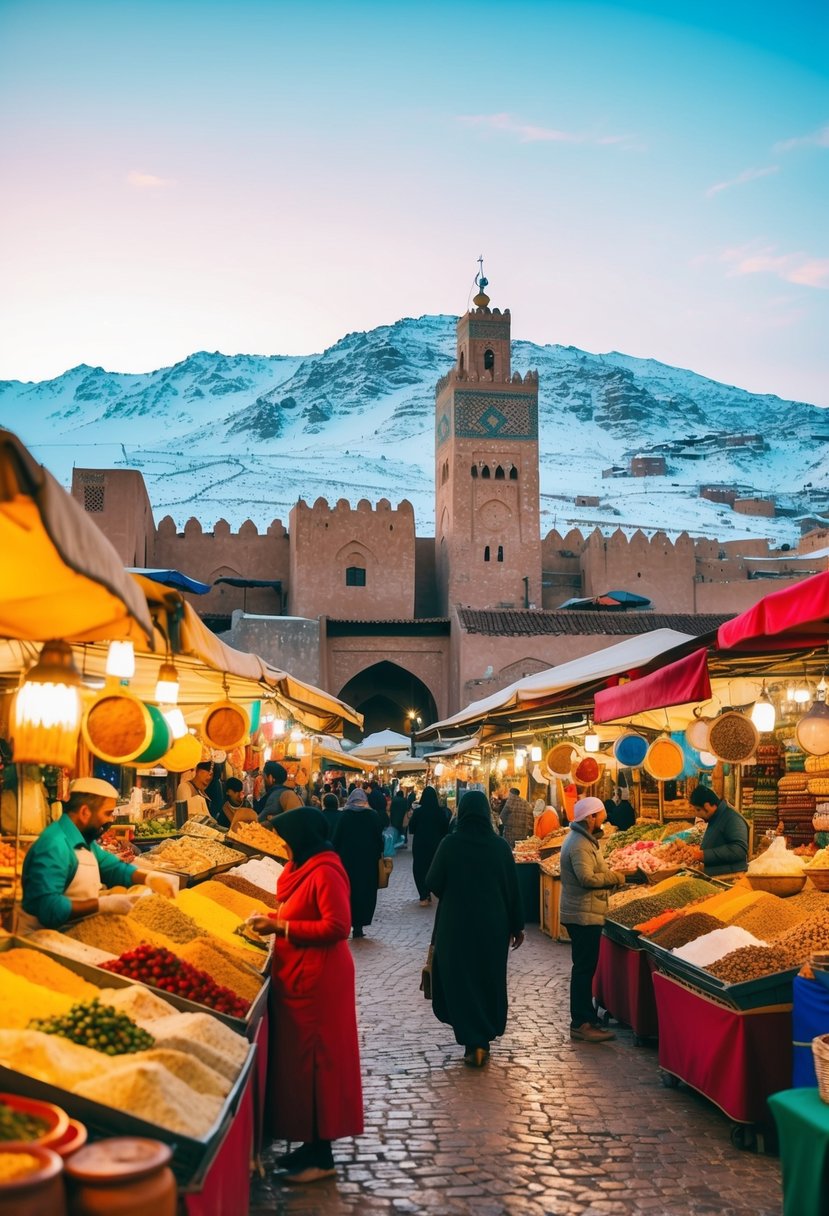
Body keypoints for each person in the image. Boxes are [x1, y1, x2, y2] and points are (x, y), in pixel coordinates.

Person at [248, 807, 363, 1185]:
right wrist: (271, 916)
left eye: (285, 839)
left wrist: (279, 927)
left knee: (319, 1065)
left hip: (320, 982)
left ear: (301, 839)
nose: (282, 846)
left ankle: (322, 1156)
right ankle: (309, 1147)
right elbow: (298, 911)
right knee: (302, 1066)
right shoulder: (302, 868)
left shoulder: (327, 871)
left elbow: (337, 925)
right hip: (299, 977)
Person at [426, 790, 524, 1067]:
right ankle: (482, 1040)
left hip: (455, 927)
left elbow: (432, 881)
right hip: (493, 927)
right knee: (487, 978)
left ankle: (472, 1043)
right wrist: (518, 926)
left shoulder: (450, 844)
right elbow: (513, 890)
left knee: (462, 981)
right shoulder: (500, 847)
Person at [19, 777, 175, 931]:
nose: (111, 819)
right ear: (85, 812)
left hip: (73, 931)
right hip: (42, 939)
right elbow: (48, 908)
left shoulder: (84, 840)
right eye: (107, 813)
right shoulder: (54, 845)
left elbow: (113, 868)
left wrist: (149, 878)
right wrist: (103, 904)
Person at [559, 796, 638, 1044]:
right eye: (601, 816)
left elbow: (596, 872)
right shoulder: (580, 844)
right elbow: (588, 879)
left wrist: (617, 873)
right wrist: (619, 878)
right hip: (582, 914)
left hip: (586, 912)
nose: (604, 820)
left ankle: (587, 1018)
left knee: (585, 967)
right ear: (590, 818)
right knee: (583, 969)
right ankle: (581, 1023)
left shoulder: (585, 841)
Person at [332, 788, 384, 937]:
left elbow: (336, 839)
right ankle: (359, 925)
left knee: (348, 892)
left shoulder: (345, 816)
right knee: (365, 892)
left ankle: (348, 921)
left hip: (347, 862)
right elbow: (379, 839)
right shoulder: (372, 816)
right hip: (368, 862)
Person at [688, 785, 749, 876]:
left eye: (698, 810)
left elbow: (739, 850)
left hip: (730, 878)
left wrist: (703, 855)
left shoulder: (732, 818)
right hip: (715, 876)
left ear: (707, 806)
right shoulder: (716, 816)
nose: (697, 814)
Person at [408, 785, 449, 905]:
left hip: (420, 844)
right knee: (434, 867)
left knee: (420, 868)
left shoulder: (418, 812)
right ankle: (432, 890)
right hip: (436, 845)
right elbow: (445, 829)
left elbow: (412, 828)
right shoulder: (440, 812)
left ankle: (423, 895)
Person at [258, 761, 303, 826]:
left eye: (264, 777)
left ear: (270, 778)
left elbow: (261, 819)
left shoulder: (276, 794)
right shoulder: (286, 791)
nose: (262, 781)